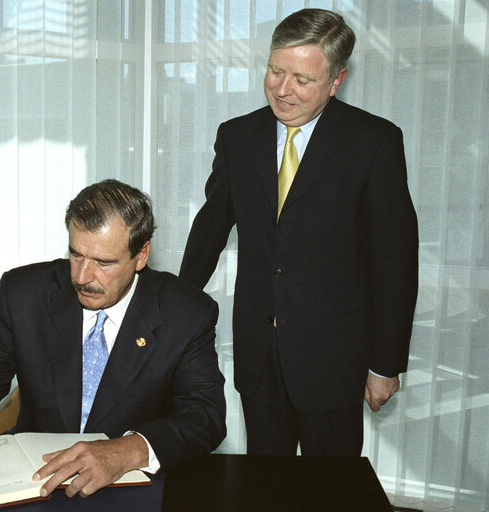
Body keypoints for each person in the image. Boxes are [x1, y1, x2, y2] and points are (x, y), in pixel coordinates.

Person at [179, 8, 418, 457]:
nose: (282, 89)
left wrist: (385, 364)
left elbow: (395, 261)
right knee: (265, 485)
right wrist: (170, 310)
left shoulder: (374, 143)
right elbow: (210, 228)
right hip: (257, 351)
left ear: (337, 79)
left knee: (331, 490)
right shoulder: (237, 136)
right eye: (275, 71)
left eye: (302, 80)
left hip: (333, 357)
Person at [0, 179, 226, 499]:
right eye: (76, 255)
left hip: (132, 486)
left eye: (103, 263)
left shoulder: (185, 313)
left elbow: (205, 416)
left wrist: (127, 450)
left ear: (141, 255)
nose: (82, 277)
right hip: (35, 479)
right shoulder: (24, 294)